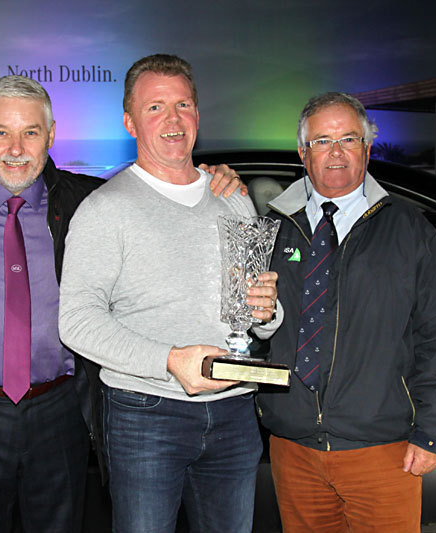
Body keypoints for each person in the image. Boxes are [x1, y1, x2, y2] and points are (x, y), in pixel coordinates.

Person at [0, 74, 245, 532]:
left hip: (60, 413)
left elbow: (161, 187)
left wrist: (213, 176)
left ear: (51, 137)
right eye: (1, 133)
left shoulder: (86, 201)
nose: (16, 147)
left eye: (31, 132)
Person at [58, 54, 281, 533]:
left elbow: (253, 311)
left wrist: (267, 310)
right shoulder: (105, 209)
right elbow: (76, 321)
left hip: (236, 410)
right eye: (155, 107)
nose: (173, 119)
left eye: (183, 104)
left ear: (198, 114)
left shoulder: (233, 196)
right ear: (129, 122)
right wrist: (169, 360)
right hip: (146, 416)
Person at [256, 92, 436, 532]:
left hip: (383, 451)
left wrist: (434, 431)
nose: (335, 152)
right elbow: (249, 327)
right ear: (302, 152)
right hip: (294, 450)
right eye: (322, 141)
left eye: (348, 139)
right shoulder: (272, 231)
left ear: (367, 149)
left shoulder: (409, 230)